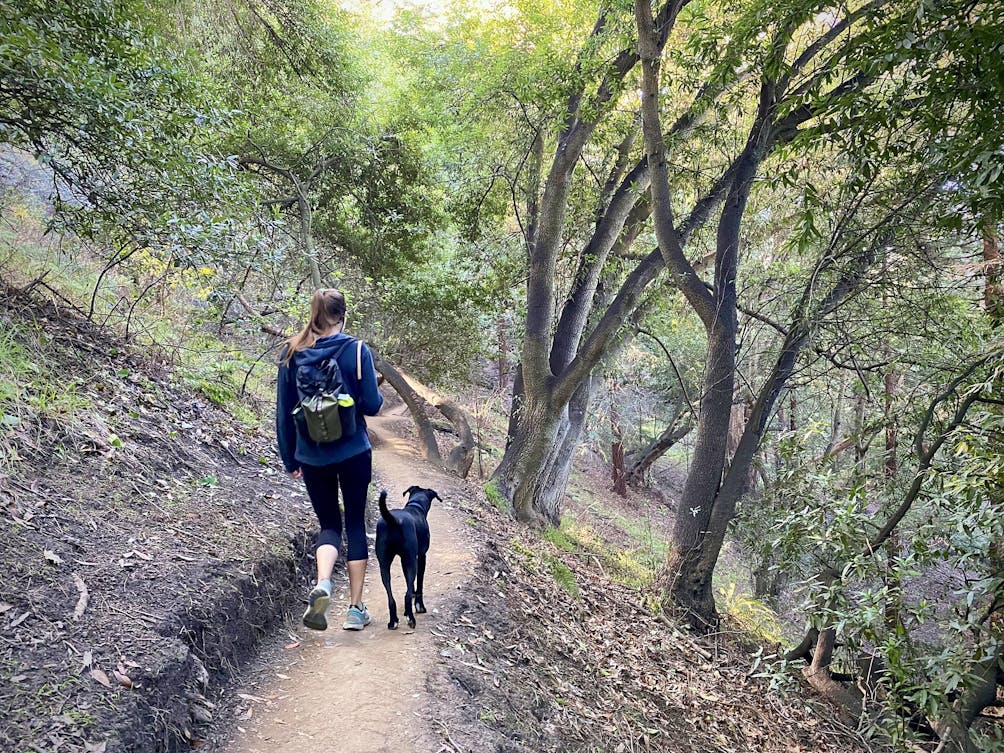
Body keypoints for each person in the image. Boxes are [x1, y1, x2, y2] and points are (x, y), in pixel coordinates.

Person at [276, 288, 383, 631]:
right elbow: (372, 405)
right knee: (354, 524)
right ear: (343, 314)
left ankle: (323, 583)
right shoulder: (355, 350)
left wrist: (289, 458)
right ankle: (354, 610)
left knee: (328, 526)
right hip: (353, 451)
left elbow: (282, 411)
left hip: (312, 456)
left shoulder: (291, 351)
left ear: (315, 313)